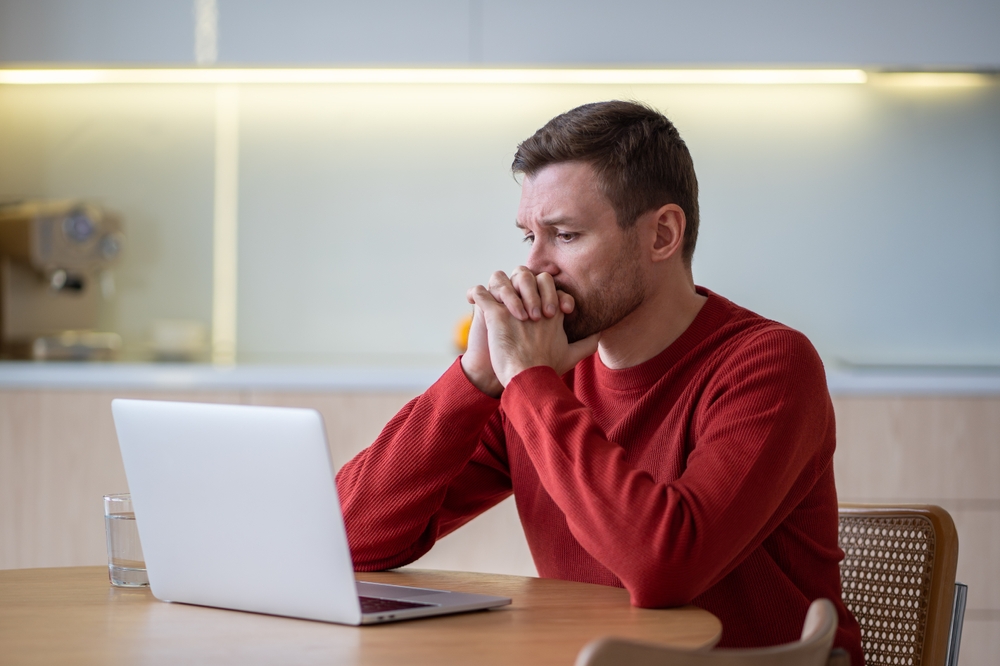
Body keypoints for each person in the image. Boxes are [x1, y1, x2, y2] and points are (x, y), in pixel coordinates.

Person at [336, 100, 864, 662]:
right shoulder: (541, 377)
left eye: (564, 235)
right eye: (527, 238)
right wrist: (476, 379)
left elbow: (663, 567)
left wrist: (530, 380)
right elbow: (347, 538)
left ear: (662, 234)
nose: (534, 267)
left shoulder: (770, 364)